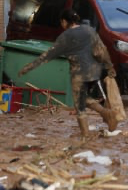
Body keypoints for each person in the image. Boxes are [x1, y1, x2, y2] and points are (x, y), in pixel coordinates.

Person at [18, 9, 119, 138]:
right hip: (94, 71)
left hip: (79, 73)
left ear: (65, 21)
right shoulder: (89, 30)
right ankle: (106, 114)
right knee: (83, 98)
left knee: (79, 105)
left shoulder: (65, 36)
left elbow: (47, 55)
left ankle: (86, 134)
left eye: (62, 22)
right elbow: (101, 50)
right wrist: (109, 66)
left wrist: (28, 67)